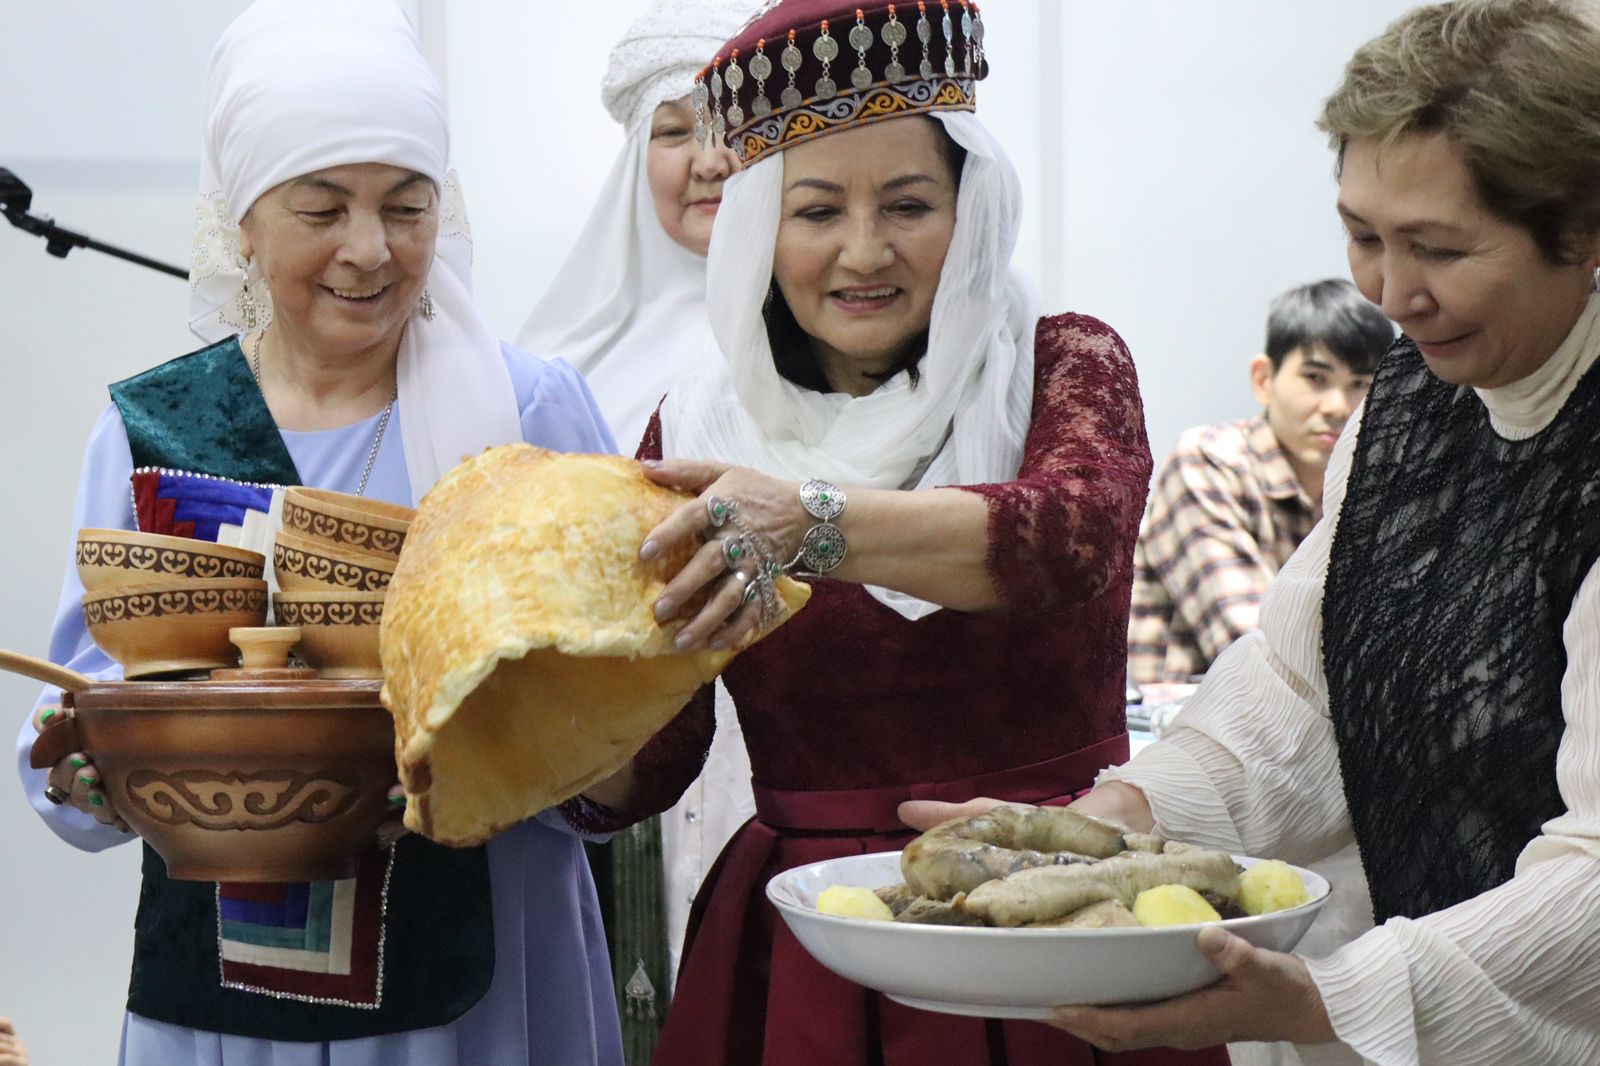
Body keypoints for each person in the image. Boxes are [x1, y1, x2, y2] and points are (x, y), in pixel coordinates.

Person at [13, 2, 709, 1063]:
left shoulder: (525, 415)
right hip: (225, 980)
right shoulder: (152, 429)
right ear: (243, 217)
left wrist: (540, 740)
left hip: (481, 969)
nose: (370, 250)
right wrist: (81, 768)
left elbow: (633, 722)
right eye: (323, 207)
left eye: (407, 206)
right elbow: (85, 708)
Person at [908, 1, 1600, 1062]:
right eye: (1362, 236)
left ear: (1583, 226)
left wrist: (1336, 997)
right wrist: (1120, 815)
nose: (1390, 294)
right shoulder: (1408, 405)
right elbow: (1301, 686)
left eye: (1440, 248)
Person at [630, 2, 1226, 1063]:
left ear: (973, 208)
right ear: (759, 227)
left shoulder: (1063, 365)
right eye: (815, 212)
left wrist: (804, 521)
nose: (864, 251)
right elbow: (654, 747)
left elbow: (1065, 539)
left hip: (1061, 910)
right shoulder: (695, 429)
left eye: (908, 204)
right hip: (811, 936)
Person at [517, 4, 759, 1044]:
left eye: (732, 125)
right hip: (617, 768)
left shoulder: (828, 345)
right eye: (672, 131)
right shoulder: (556, 365)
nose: (706, 160)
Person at [1128, 279, 1390, 685]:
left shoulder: (1374, 484)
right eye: (1316, 378)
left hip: (1308, 728)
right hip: (1182, 730)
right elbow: (1252, 648)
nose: (1338, 407)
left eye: (1360, 385)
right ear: (1264, 380)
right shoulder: (1210, 460)